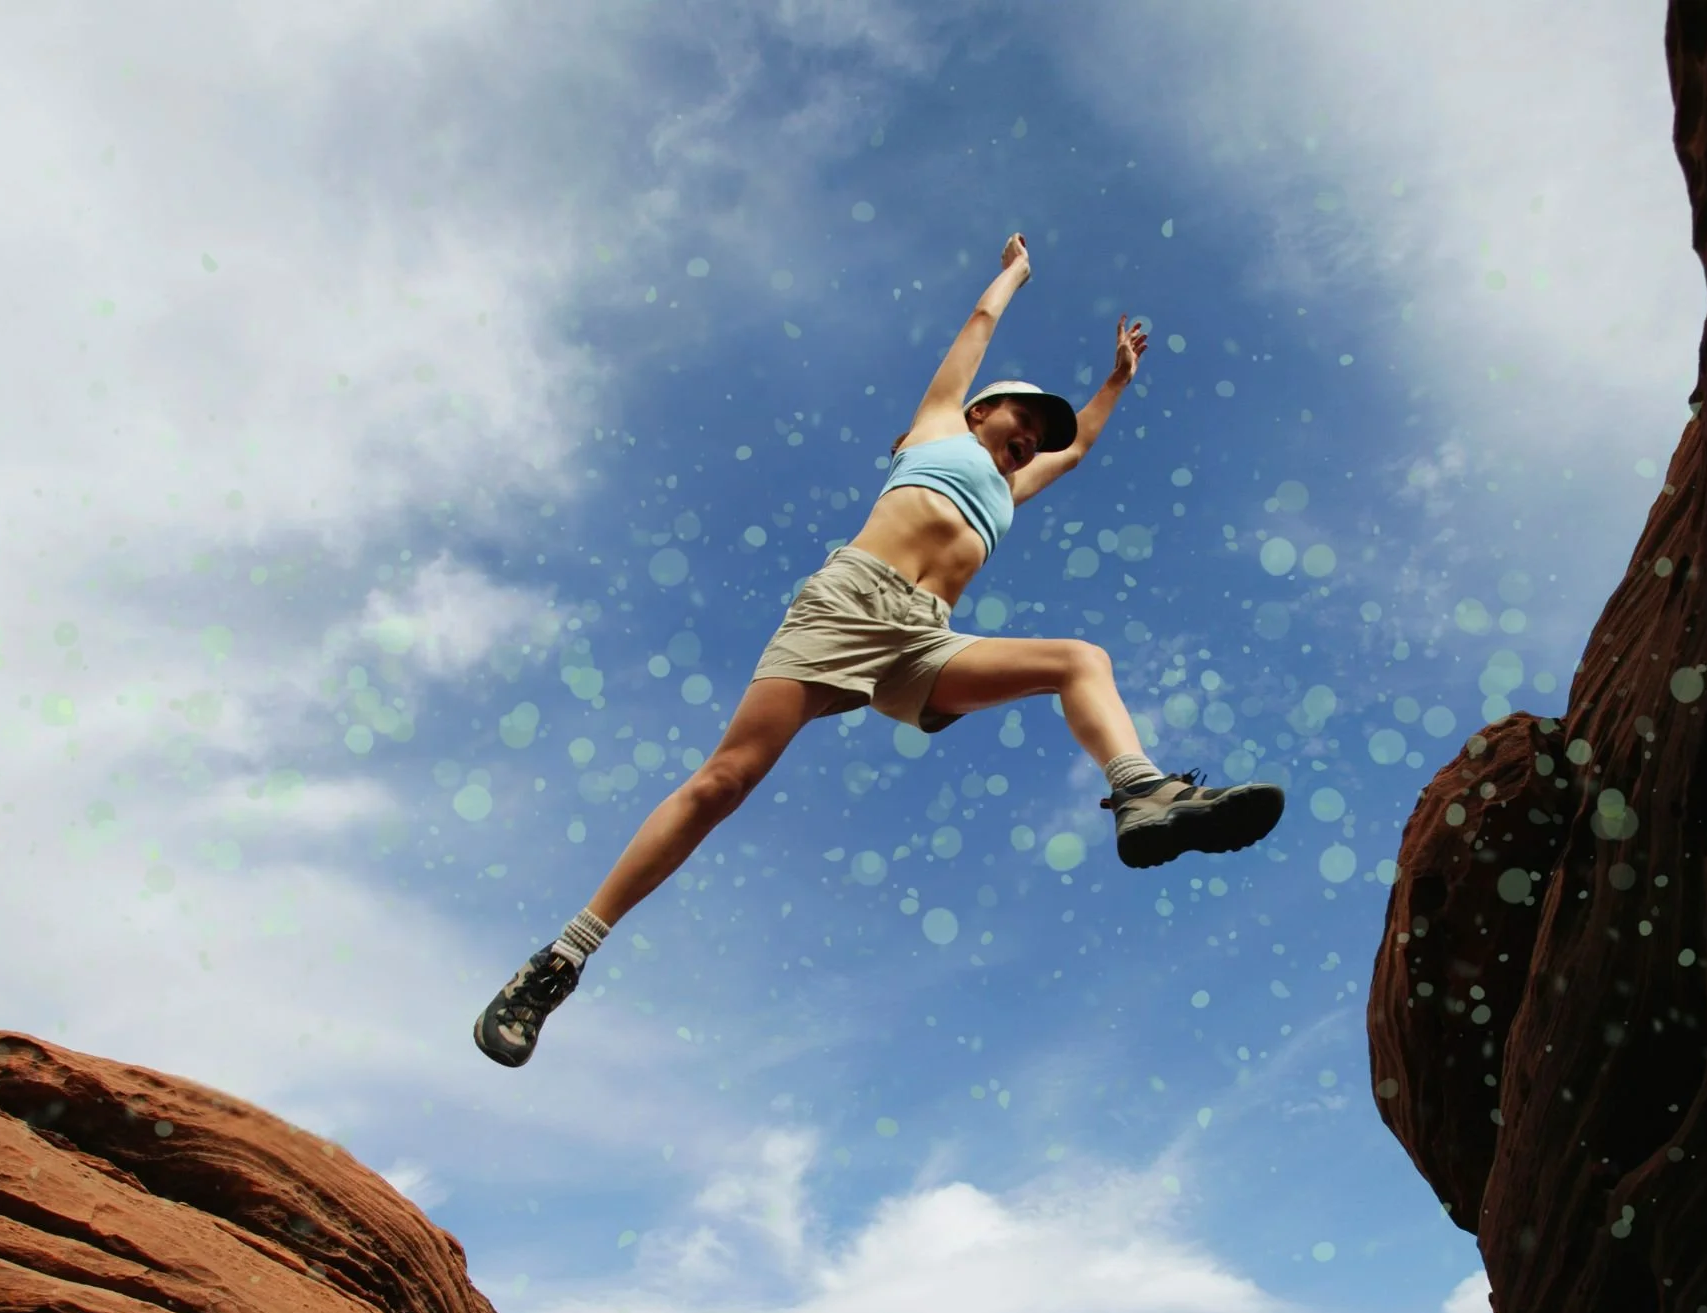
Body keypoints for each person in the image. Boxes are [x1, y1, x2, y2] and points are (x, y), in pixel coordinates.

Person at [475, 233, 1286, 1068]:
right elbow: (974, 327)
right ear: (980, 412)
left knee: (1081, 659)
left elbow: (1076, 450)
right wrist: (1013, 275)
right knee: (724, 782)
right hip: (849, 605)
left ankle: (1142, 794)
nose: (1032, 439)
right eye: (1022, 421)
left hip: (923, 640)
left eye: (1037, 437)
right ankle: (561, 958)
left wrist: (1115, 381)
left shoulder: (1011, 488)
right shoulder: (937, 431)